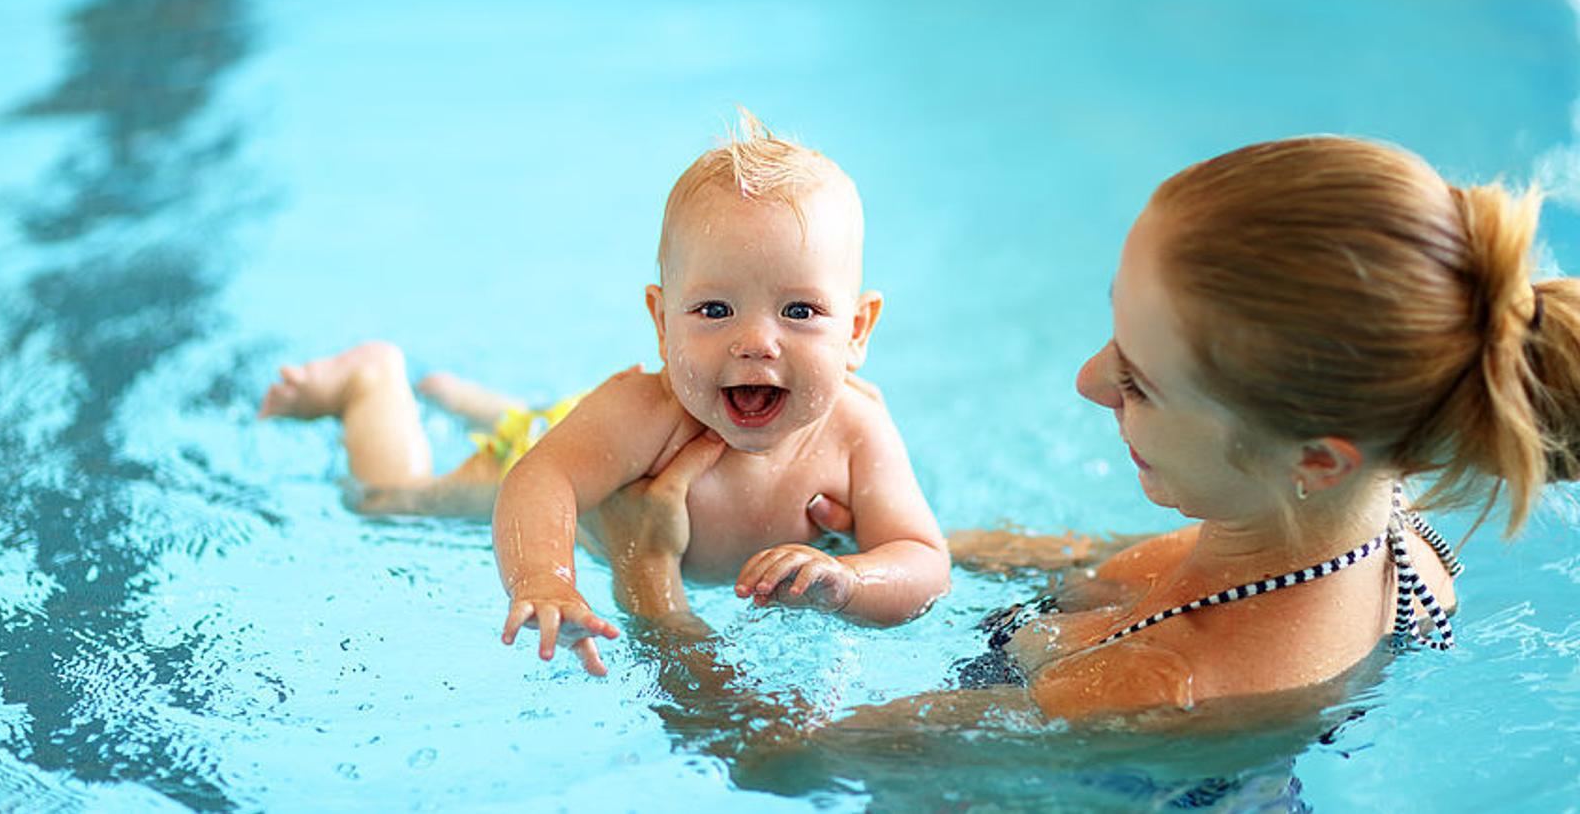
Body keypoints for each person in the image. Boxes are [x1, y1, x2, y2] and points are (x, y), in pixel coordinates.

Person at [599, 135, 1580, 725]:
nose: (1087, 380)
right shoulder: (1388, 530)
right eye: (1115, 330)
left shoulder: (1155, 686)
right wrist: (886, 543)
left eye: (1141, 380)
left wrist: (648, 586)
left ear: (1316, 458)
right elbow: (1115, 566)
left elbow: (783, 767)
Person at [258, 111, 951, 676]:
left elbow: (921, 558)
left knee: (568, 428)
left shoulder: (857, 431)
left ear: (858, 330)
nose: (756, 343)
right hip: (563, 444)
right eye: (714, 311)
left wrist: (851, 581)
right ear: (660, 321)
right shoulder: (648, 413)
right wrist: (543, 575)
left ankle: (476, 400)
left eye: (800, 312)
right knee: (395, 503)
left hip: (592, 437)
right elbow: (542, 476)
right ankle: (370, 383)